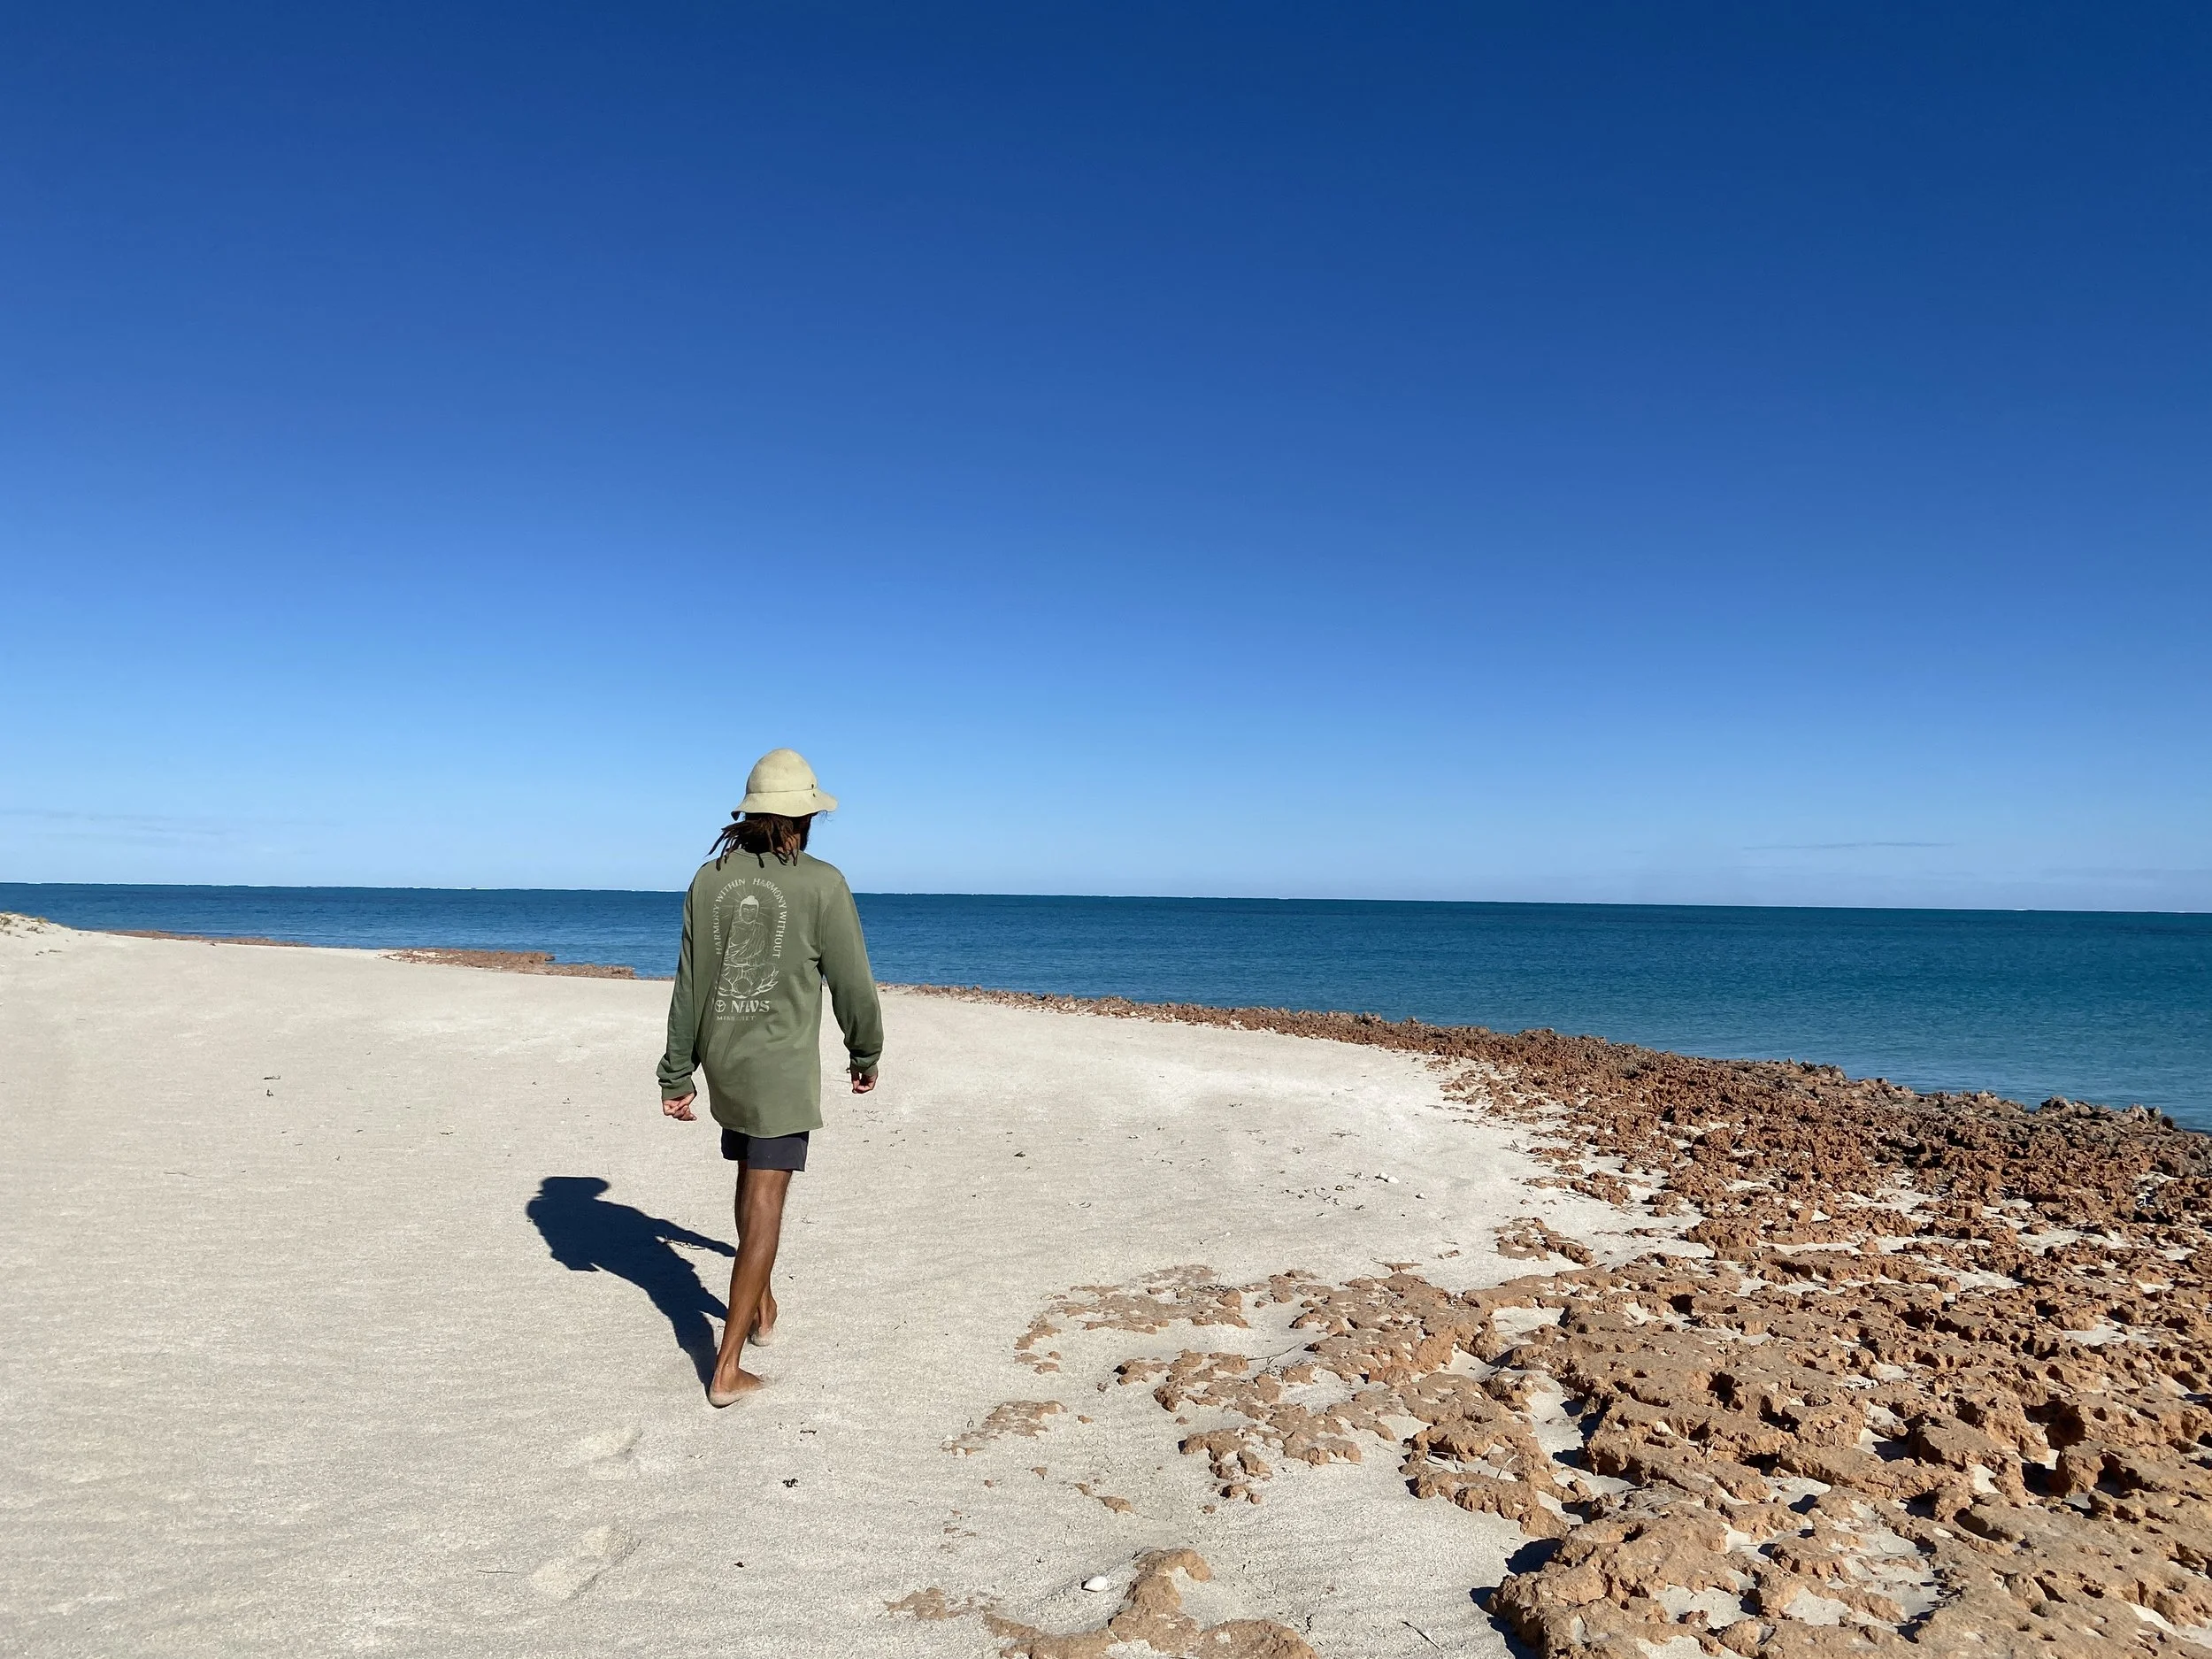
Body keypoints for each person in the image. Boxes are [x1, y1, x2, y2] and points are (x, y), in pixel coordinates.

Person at [657, 748, 883, 1407]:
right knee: (765, 1201)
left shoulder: (709, 879)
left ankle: (760, 1308)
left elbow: (690, 983)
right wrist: (864, 1051)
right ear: (803, 818)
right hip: (780, 1069)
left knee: (750, 1176)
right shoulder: (821, 884)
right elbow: (852, 981)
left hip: (726, 1063)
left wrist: (678, 1071)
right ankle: (725, 1368)